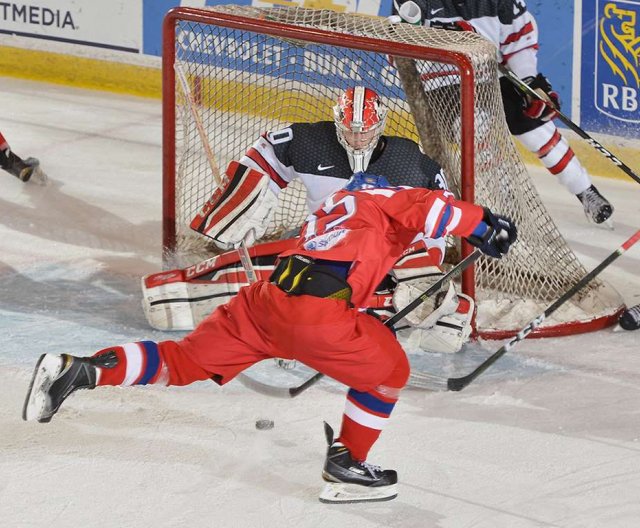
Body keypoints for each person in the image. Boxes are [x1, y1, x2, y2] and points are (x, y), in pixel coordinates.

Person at [23, 172, 517, 503]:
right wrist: (484, 225)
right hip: (314, 317)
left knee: (183, 361)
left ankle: (79, 370)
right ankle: (348, 464)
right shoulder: (375, 198)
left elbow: (342, 267)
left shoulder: (325, 218)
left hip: (263, 305)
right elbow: (427, 206)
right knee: (391, 370)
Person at [147, 86, 475, 355]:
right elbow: (265, 154)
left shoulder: (411, 163)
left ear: (381, 125)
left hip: (379, 257)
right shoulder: (310, 142)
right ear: (337, 124)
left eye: (366, 132)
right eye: (350, 131)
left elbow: (437, 223)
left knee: (395, 298)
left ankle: (445, 310)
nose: (358, 139)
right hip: (321, 246)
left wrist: (420, 269)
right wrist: (240, 205)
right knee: (274, 277)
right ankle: (176, 296)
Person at [390, 0, 614, 224]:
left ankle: (585, 191)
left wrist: (530, 84)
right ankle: (507, 202)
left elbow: (518, 41)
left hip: (492, 74)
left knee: (535, 127)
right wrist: (443, 40)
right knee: (475, 130)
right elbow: (395, 50)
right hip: (443, 81)